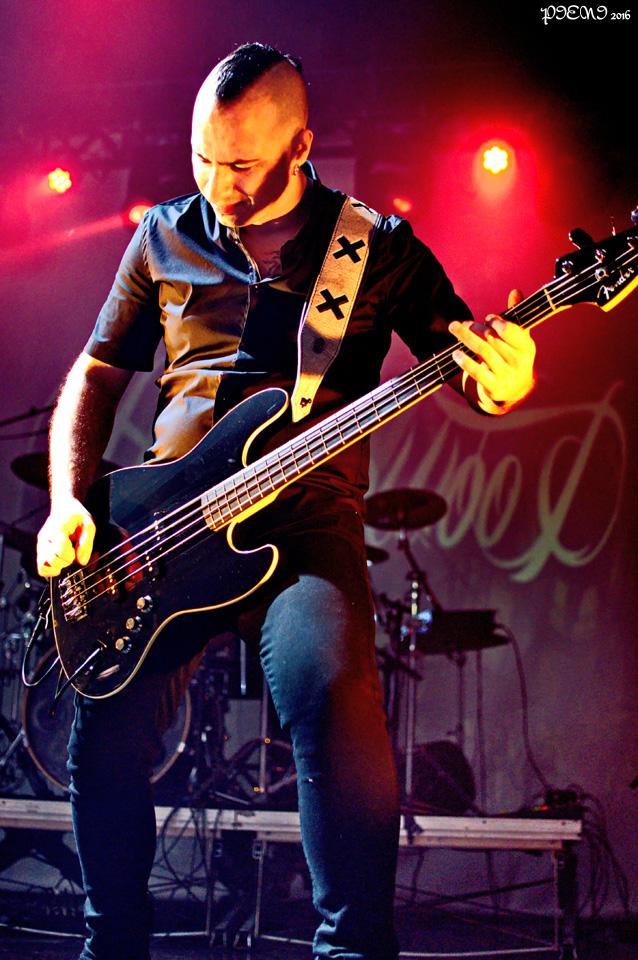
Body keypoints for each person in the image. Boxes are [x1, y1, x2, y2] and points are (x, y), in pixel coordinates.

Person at [36, 42, 536, 960]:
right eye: (202, 157)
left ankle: (352, 950)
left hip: (305, 525)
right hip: (163, 530)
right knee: (103, 730)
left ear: (301, 146)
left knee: (334, 700)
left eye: (241, 165)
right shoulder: (163, 235)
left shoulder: (376, 248)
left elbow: (466, 363)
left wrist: (503, 382)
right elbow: (97, 372)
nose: (216, 184)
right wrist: (70, 498)